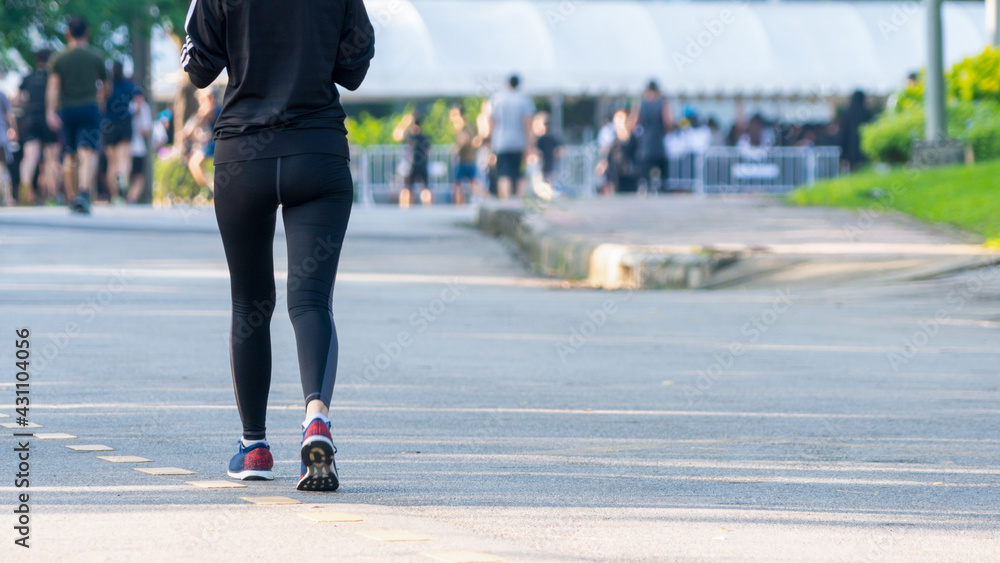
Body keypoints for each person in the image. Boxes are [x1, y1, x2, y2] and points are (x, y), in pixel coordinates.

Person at [182, 0, 374, 491]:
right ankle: (316, 418)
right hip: (318, 152)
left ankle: (254, 447)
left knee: (250, 301)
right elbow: (354, 67)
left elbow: (198, 67)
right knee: (310, 301)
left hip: (244, 158)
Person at [47, 15, 109, 214]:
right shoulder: (97, 57)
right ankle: (83, 193)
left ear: (67, 33)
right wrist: (100, 101)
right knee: (89, 150)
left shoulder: (59, 58)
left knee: (70, 153)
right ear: (87, 33)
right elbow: (106, 86)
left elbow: (53, 88)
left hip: (67, 109)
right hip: (90, 107)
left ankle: (73, 197)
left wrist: (50, 111)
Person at [18, 49, 61, 205]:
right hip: (49, 118)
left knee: (29, 157)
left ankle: (25, 191)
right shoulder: (53, 77)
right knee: (52, 158)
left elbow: (19, 98)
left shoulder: (28, 77)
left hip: (30, 117)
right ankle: (52, 196)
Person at [485, 74, 535, 199]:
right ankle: (517, 203)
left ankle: (506, 203)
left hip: (501, 142)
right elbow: (527, 123)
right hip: (519, 142)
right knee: (518, 173)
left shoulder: (497, 98)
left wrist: (490, 141)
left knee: (503, 174)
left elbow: (492, 121)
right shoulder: (524, 99)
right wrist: (530, 143)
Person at [103, 61, 141, 204]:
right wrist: (132, 114)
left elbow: (100, 104)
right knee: (123, 159)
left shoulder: (107, 86)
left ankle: (114, 196)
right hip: (124, 124)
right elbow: (138, 105)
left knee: (111, 162)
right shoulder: (130, 86)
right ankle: (122, 181)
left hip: (108, 125)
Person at [628, 80, 670, 194]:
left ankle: (644, 190)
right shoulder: (662, 103)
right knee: (663, 181)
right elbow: (668, 123)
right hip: (659, 146)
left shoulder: (641, 103)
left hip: (644, 147)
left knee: (644, 179)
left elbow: (632, 123)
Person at [183, 88, 220, 194]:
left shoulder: (209, 107)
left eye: (202, 99)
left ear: (210, 98)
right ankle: (211, 188)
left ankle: (212, 189)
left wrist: (186, 133)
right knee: (196, 162)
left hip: (217, 143)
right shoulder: (217, 108)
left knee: (195, 163)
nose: (200, 101)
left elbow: (195, 123)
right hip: (216, 141)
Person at [392, 111, 431, 207]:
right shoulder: (425, 137)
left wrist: (404, 122)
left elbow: (397, 136)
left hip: (412, 165)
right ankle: (428, 208)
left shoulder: (411, 137)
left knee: (407, 189)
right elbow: (427, 152)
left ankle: (406, 209)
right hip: (423, 165)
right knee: (425, 188)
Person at [450, 104, 481, 204]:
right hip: (471, 159)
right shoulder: (471, 126)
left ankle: (459, 206)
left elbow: (463, 140)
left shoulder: (462, 127)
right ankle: (476, 203)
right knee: (473, 182)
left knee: (458, 184)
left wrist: (455, 149)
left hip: (463, 160)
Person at [126, 95, 152, 204]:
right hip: (137, 147)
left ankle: (120, 196)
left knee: (125, 173)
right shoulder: (143, 105)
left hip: (122, 146)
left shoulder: (124, 104)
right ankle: (131, 198)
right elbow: (146, 130)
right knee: (139, 177)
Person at [532, 112, 564, 187]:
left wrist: (557, 155)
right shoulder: (537, 138)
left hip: (549, 164)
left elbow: (561, 148)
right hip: (541, 165)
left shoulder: (551, 137)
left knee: (548, 183)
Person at [0, 91, 16, 206]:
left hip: (2, 137)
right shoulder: (2, 95)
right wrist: (14, 130)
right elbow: (9, 115)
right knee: (4, 168)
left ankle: (6, 197)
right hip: (1, 138)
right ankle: (7, 197)